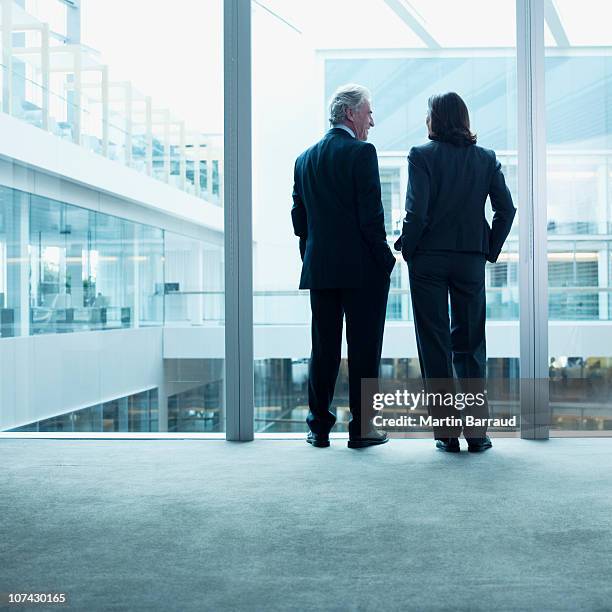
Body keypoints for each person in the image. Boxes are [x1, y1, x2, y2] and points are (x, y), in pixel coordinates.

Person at [394, 92, 516, 453]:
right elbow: (506, 210)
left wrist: (409, 249)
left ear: (435, 119)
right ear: (463, 118)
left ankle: (447, 434)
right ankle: (477, 435)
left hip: (428, 259)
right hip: (469, 259)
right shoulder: (485, 158)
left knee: (435, 344)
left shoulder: (421, 155)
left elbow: (416, 213)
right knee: (471, 344)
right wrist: (488, 249)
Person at [291, 83, 396, 449]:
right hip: (362, 269)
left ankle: (318, 428)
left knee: (323, 349)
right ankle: (362, 430)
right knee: (364, 350)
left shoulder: (303, 159)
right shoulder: (362, 152)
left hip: (320, 269)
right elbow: (372, 216)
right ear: (351, 114)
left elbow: (299, 220)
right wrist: (386, 259)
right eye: (369, 112)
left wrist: (311, 255)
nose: (372, 121)